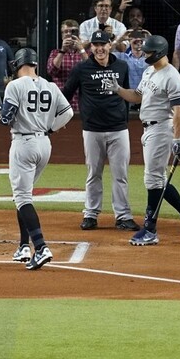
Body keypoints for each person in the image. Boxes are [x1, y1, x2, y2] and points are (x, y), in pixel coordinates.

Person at [109, 35, 180, 246]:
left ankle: (150, 229)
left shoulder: (171, 76)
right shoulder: (149, 71)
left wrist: (176, 139)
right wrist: (118, 89)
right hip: (149, 129)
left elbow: (179, 111)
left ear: (159, 53)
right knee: (158, 180)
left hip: (162, 128)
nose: (145, 55)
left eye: (148, 52)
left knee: (152, 180)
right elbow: (137, 95)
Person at [0, 48, 74, 270]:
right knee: (24, 195)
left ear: (18, 64)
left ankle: (40, 247)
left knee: (22, 198)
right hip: (44, 145)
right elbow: (68, 113)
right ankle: (23, 246)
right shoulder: (50, 86)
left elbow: (6, 119)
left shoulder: (15, 85)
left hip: (24, 144)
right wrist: (50, 128)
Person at [62, 30, 139, 232]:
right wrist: (60, 117)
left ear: (110, 45)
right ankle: (90, 214)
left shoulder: (122, 66)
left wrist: (122, 118)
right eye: (95, 45)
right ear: (91, 48)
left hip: (118, 129)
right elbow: (67, 94)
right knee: (93, 173)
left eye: (102, 44)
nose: (99, 48)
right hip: (92, 129)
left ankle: (123, 216)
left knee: (120, 174)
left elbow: (128, 93)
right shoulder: (82, 68)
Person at [47, 20, 87, 112]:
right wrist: (62, 51)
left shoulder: (86, 53)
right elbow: (51, 71)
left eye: (73, 31)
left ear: (78, 34)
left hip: (82, 104)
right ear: (61, 36)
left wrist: (81, 49)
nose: (69, 34)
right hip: (61, 104)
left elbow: (92, 71)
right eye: (66, 32)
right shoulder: (55, 53)